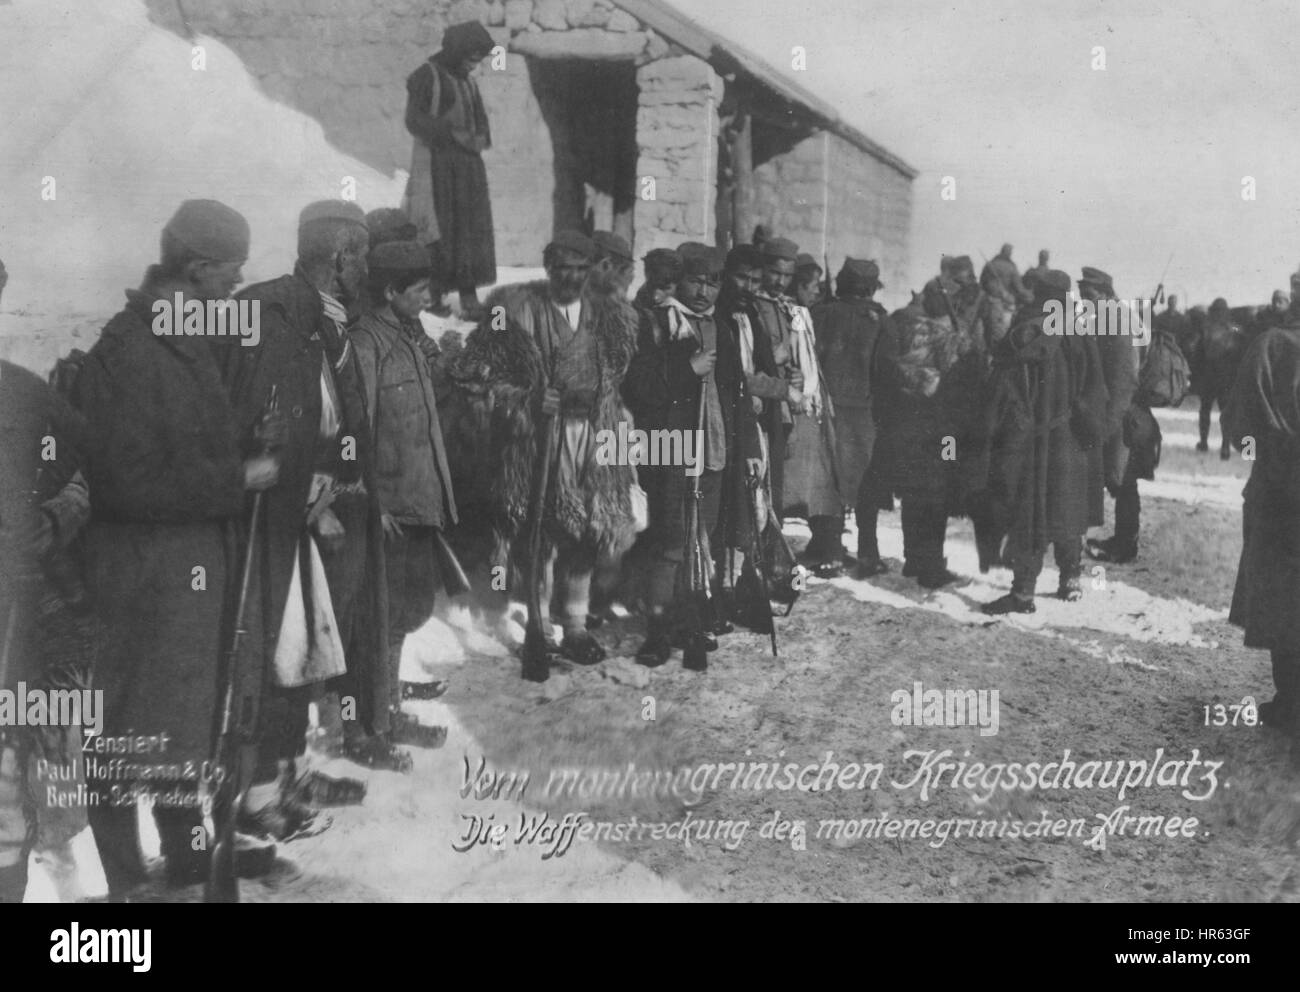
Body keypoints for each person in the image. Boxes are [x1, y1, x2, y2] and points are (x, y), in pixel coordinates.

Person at [73, 200, 280, 896]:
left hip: (185, 574)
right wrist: (236, 478)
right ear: (195, 269)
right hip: (140, 581)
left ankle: (189, 860)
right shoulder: (130, 352)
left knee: (184, 728)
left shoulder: (183, 338)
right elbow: (125, 481)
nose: (237, 284)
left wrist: (249, 441)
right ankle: (126, 880)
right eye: (232, 270)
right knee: (126, 735)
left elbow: (182, 445)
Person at [220, 200, 387, 832]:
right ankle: (258, 796)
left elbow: (329, 415)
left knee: (307, 644)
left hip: (313, 505)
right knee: (272, 647)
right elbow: (262, 419)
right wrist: (305, 492)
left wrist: (336, 477)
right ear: (341, 258)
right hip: (273, 515)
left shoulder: (326, 319)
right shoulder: (275, 313)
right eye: (361, 255)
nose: (366, 266)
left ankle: (289, 770)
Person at [451, 231, 639, 681]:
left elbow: (620, 374)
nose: (571, 278)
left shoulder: (611, 318)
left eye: (580, 269)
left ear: (592, 270)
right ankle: (542, 627)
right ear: (548, 267)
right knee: (540, 536)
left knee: (590, 531)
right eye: (562, 269)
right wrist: (526, 399)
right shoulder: (511, 310)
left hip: (595, 438)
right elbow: (473, 370)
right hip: (536, 441)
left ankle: (576, 625)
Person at [348, 240, 458, 766]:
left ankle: (388, 710)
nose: (427, 296)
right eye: (417, 289)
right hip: (389, 508)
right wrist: (375, 504)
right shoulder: (368, 343)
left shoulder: (407, 338)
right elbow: (357, 431)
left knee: (406, 613)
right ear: (390, 291)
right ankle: (369, 730)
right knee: (381, 619)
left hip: (419, 501)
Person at [624, 244, 759, 669]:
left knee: (704, 539)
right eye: (696, 280)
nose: (704, 290)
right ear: (680, 279)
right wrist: (688, 370)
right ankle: (658, 630)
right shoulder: (656, 322)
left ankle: (689, 619)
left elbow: (737, 396)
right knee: (670, 544)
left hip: (714, 449)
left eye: (713, 282)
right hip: (672, 448)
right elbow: (640, 389)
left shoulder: (723, 327)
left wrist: (749, 449)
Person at [979, 271, 1108, 614]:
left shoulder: (1024, 329)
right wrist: (1087, 427)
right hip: (1070, 437)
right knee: (1067, 509)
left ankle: (1023, 593)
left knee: (1030, 513)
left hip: (1030, 440)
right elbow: (1096, 388)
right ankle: (1071, 580)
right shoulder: (1078, 331)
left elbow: (1001, 387)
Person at [873, 256, 991, 588]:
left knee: (913, 493)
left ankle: (913, 558)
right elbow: (966, 378)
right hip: (945, 431)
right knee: (938, 493)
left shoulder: (898, 323)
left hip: (907, 426)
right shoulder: (950, 334)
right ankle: (931, 566)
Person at [1224, 294, 1300, 760]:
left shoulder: (1273, 344)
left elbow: (1241, 425)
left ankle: (1291, 701)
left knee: (1281, 592)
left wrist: (1266, 458)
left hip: (1279, 493)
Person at [404, 20, 496, 318]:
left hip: (468, 170)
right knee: (441, 229)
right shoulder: (427, 76)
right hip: (438, 167)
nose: (474, 66)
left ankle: (469, 298)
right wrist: (452, 135)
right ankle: (434, 296)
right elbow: (414, 120)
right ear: (457, 52)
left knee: (470, 231)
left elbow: (481, 122)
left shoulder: (468, 81)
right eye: (471, 59)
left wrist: (478, 138)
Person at [811, 258, 891, 575]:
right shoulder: (881, 320)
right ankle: (869, 554)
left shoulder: (821, 313)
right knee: (865, 484)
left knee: (829, 480)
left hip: (826, 408)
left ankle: (830, 551)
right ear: (870, 288)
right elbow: (886, 371)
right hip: (865, 414)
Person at [749, 237, 806, 518]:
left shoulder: (788, 307)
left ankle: (772, 551)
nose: (780, 281)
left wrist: (796, 374)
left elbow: (797, 352)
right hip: (758, 401)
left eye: (787, 276)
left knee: (777, 482)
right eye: (775, 273)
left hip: (783, 407)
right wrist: (776, 357)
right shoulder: (752, 305)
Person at [1194, 298, 1246, 459]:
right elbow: (1240, 352)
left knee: (1205, 410)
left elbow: (1196, 353)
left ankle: (1203, 442)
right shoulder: (1235, 329)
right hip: (1226, 378)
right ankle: (1225, 447)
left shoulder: (1205, 328)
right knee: (1226, 413)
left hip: (1208, 377)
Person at [980, 243, 1032, 344]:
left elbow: (982, 282)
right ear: (1009, 253)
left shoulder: (990, 264)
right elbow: (1019, 288)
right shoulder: (1011, 267)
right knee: (1001, 334)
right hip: (1004, 305)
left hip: (986, 303)